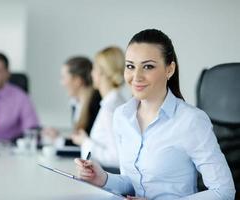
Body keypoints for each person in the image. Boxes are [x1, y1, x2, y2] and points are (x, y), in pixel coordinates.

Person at [75, 29, 235, 200]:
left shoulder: (191, 121)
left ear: (169, 69)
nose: (136, 76)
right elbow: (133, 183)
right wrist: (103, 178)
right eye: (130, 66)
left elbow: (223, 191)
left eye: (148, 66)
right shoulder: (121, 116)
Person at [71, 46, 125, 169]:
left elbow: (116, 158)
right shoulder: (114, 101)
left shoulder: (110, 108)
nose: (91, 73)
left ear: (101, 72)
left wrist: (84, 142)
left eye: (94, 69)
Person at [42, 56, 101, 146]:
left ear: (77, 81)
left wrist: (58, 140)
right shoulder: (76, 103)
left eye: (63, 77)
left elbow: (85, 145)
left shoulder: (96, 104)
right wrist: (58, 136)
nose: (62, 83)